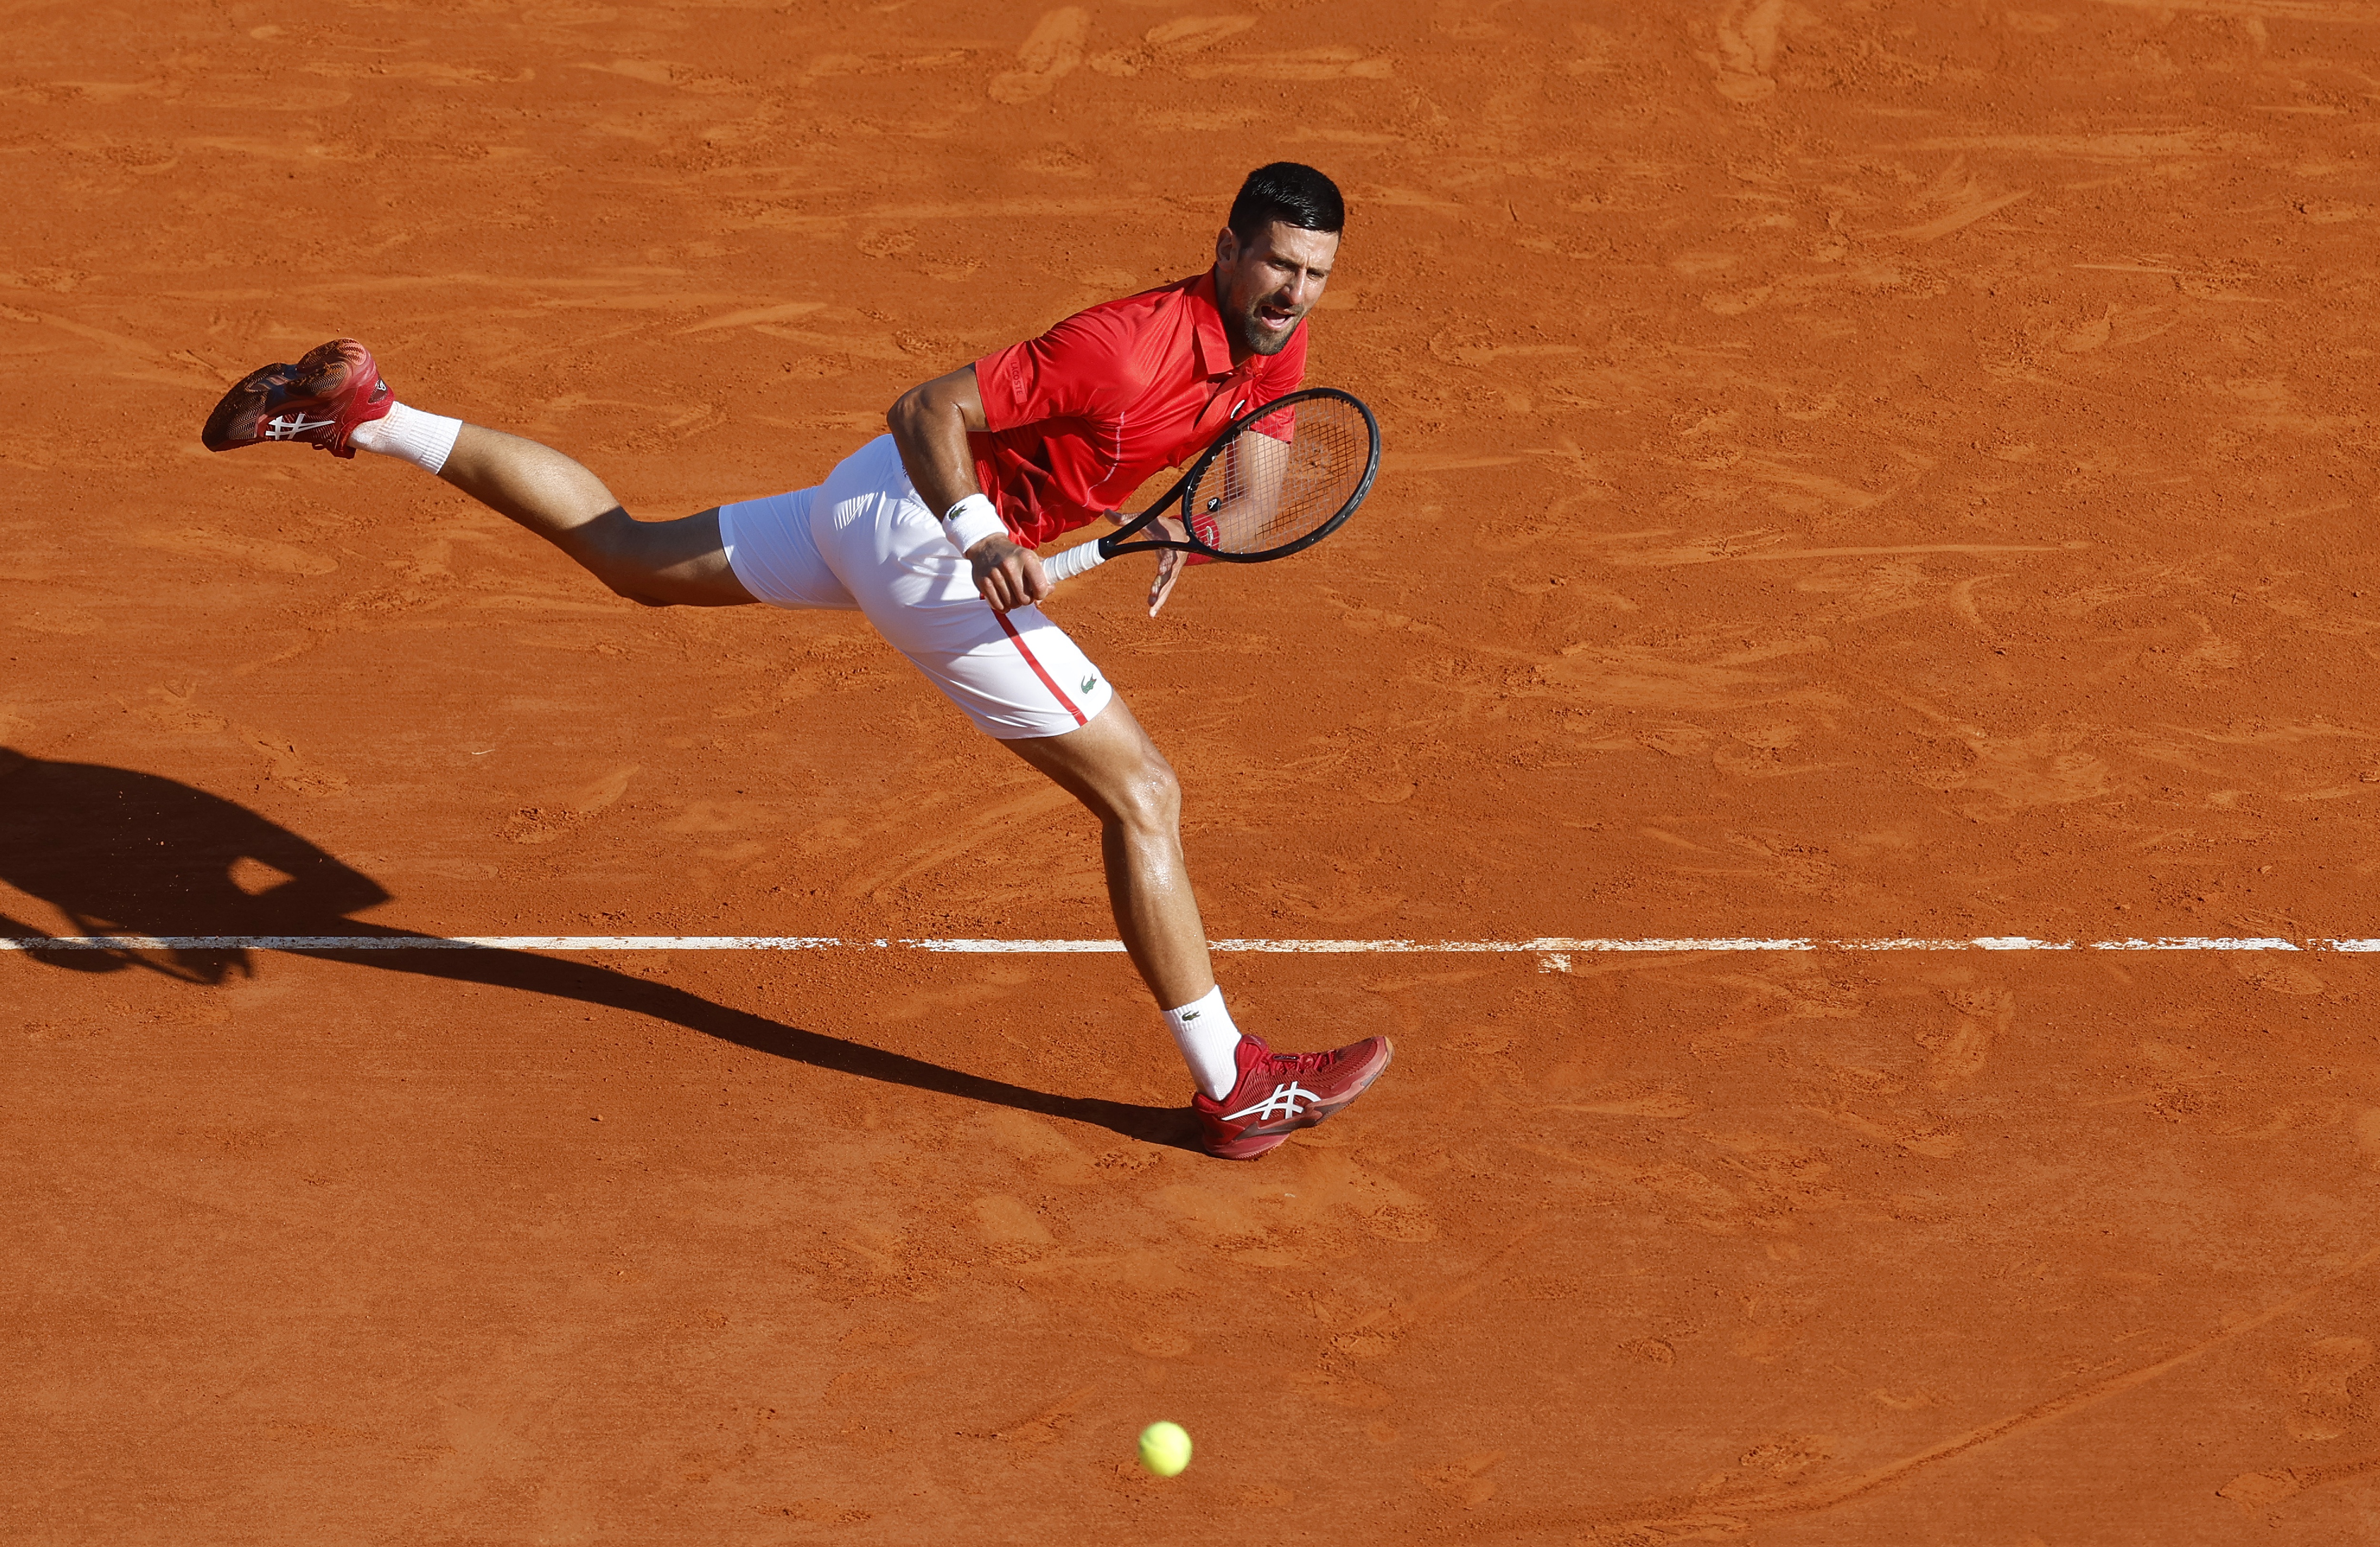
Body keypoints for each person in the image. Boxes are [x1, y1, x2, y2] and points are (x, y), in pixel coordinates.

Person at [198, 161, 1390, 1160]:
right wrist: (981, 538)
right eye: (1277, 262)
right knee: (1143, 792)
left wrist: (1193, 529)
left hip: (862, 514)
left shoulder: (1275, 341)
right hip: (925, 524)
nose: (1292, 291)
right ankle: (1236, 1085)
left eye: (1314, 273)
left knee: (631, 555)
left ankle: (370, 416)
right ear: (1225, 247)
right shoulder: (1125, 347)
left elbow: (1258, 491)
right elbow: (923, 409)